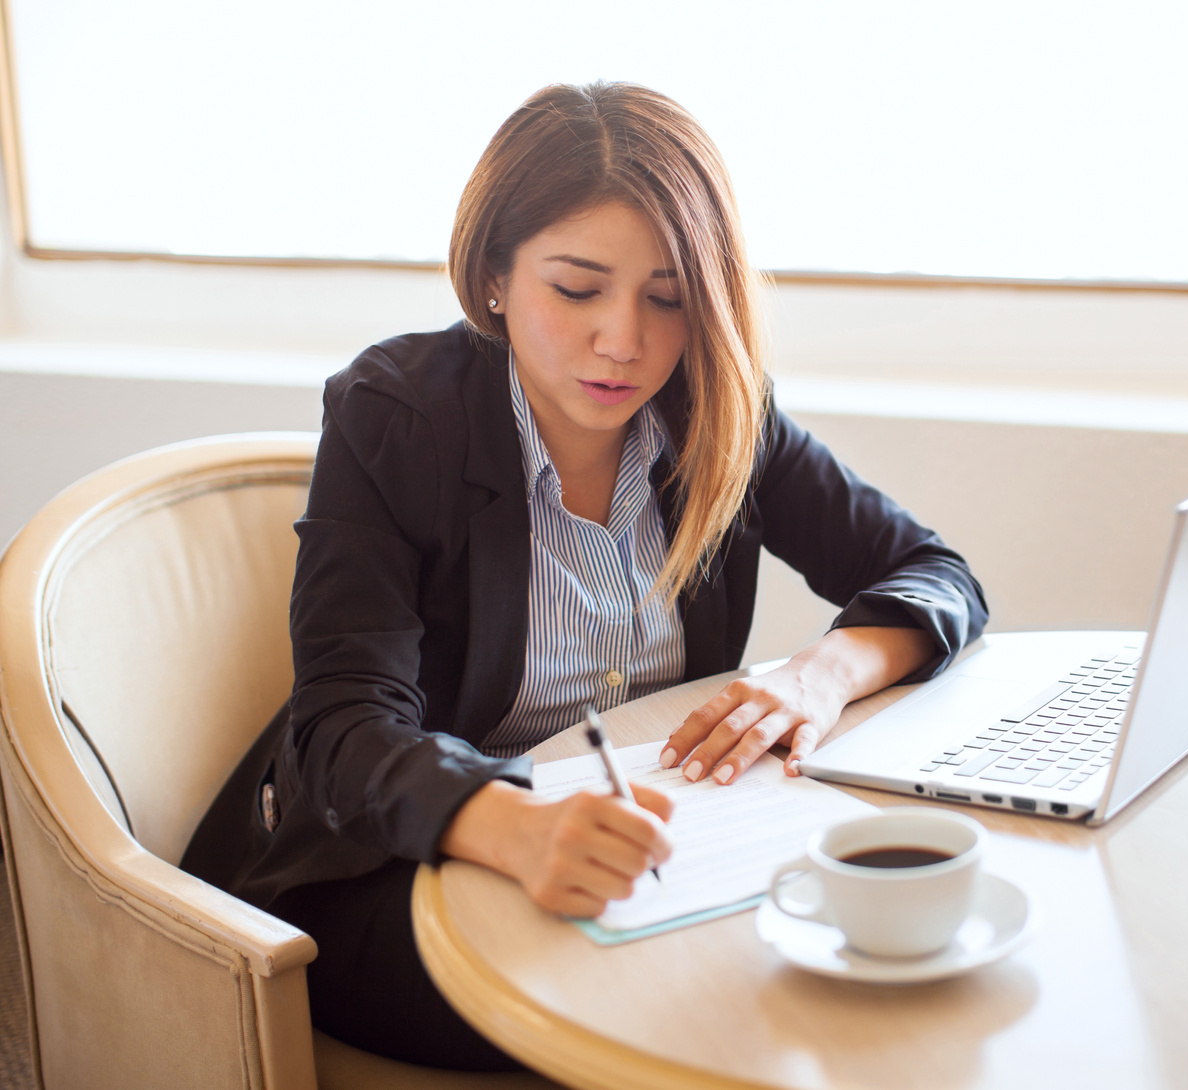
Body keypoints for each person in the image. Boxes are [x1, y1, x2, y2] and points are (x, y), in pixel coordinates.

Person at [182, 81, 987, 1072]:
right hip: (391, 865)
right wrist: (514, 827)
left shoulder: (719, 413)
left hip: (644, 847)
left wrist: (818, 673)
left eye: (669, 298)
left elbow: (935, 573)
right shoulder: (395, 414)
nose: (626, 341)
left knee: (865, 970)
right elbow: (345, 728)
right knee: (728, 1011)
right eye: (576, 289)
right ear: (492, 276)